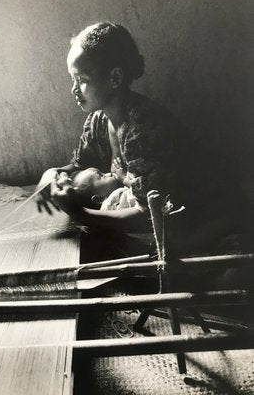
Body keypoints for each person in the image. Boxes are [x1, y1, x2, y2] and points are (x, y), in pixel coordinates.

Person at [36, 21, 249, 252]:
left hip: (210, 215)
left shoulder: (143, 129)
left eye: (82, 80)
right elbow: (79, 166)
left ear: (115, 78)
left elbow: (147, 214)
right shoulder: (97, 121)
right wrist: (50, 176)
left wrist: (80, 213)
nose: (74, 90)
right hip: (176, 218)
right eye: (72, 79)